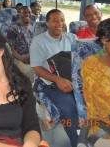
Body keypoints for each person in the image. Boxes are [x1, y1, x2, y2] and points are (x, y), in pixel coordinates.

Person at [30, 9, 79, 147]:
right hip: (50, 82)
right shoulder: (38, 41)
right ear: (47, 23)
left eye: (62, 20)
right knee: (68, 107)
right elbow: (37, 68)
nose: (59, 23)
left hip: (73, 80)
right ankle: (77, 142)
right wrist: (58, 80)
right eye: (55, 20)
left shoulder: (73, 39)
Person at [7, 6, 35, 82]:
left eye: (29, 12)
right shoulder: (13, 29)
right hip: (19, 58)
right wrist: (21, 58)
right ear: (20, 15)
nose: (27, 14)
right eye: (24, 12)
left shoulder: (34, 27)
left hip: (34, 57)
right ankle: (32, 91)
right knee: (32, 70)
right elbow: (10, 49)